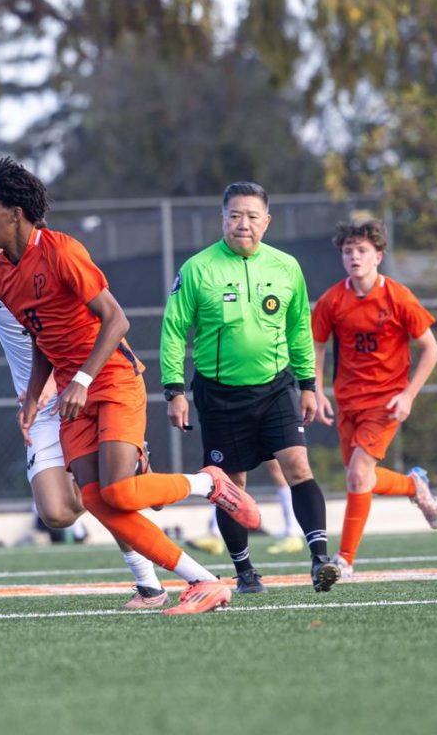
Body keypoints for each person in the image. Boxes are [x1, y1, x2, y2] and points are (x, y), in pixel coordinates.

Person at [0, 156, 261, 616]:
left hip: (111, 379)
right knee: (97, 500)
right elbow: (42, 339)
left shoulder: (63, 252)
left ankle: (207, 482)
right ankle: (203, 581)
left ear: (16, 213)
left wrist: (83, 380)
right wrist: (31, 398)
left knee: (121, 493)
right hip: (72, 394)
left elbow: (116, 319)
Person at [0, 251, 168, 609]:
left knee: (107, 493)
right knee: (56, 512)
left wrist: (67, 381)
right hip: (39, 407)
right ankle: (125, 478)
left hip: (85, 390)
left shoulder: (56, 261)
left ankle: (149, 586)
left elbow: (99, 323)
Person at [161, 181, 340, 594]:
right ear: (222, 218)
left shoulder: (285, 266)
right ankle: (245, 572)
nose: (244, 224)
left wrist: (310, 385)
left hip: (276, 388)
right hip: (219, 395)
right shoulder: (197, 269)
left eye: (252, 216)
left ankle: (319, 560)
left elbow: (299, 329)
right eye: (235, 215)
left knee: (298, 466)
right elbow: (174, 331)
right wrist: (174, 390)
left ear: (267, 221)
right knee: (230, 487)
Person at [311, 219, 437, 578]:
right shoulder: (333, 300)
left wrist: (409, 394)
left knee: (357, 475)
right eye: (348, 251)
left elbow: (431, 349)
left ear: (378, 256)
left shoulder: (398, 296)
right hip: (348, 402)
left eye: (362, 250)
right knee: (360, 478)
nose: (354, 256)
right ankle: (414, 484)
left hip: (385, 402)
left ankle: (345, 561)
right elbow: (317, 345)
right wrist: (318, 389)